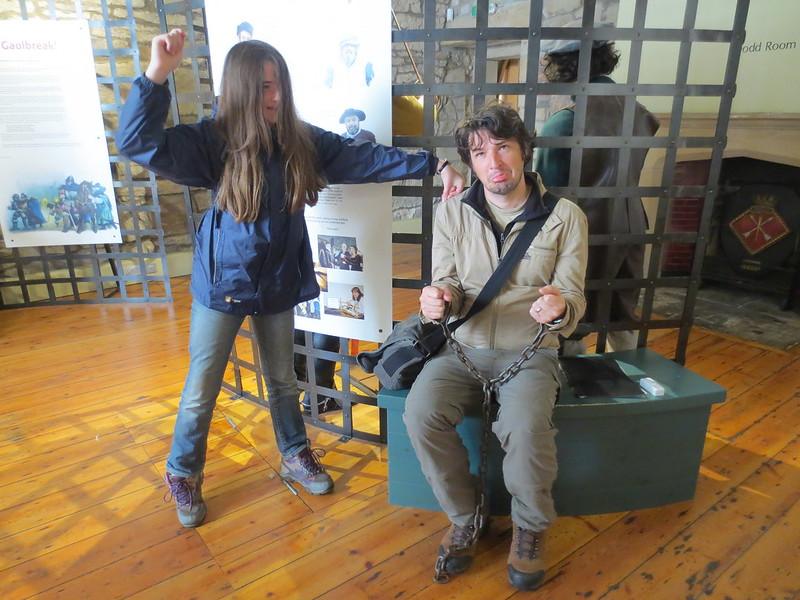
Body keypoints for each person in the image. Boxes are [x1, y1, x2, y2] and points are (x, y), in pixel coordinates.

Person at [116, 29, 464, 528]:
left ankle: (295, 452)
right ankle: (182, 471)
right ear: (239, 89)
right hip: (223, 286)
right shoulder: (212, 143)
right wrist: (157, 76)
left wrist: (436, 163)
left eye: (278, 85)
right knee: (202, 388)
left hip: (278, 283)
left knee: (283, 380)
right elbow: (135, 142)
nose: (275, 96)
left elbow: (362, 157)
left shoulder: (300, 140)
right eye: (262, 87)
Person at [403, 103, 587, 591]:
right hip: (463, 346)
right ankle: (466, 516)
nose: (493, 162)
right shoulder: (451, 213)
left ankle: (529, 530)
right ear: (470, 160)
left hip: (530, 351)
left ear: (524, 150)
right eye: (480, 153)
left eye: (503, 147)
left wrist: (559, 306)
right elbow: (447, 277)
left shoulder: (565, 218)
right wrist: (438, 297)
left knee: (526, 428)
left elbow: (574, 295)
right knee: (420, 414)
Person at [534, 33, 659, 353]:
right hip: (631, 221)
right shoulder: (642, 115)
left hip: (585, 227)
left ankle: (570, 383)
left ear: (565, 69)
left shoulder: (564, 125)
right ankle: (630, 381)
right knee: (621, 310)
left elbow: (548, 191)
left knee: (572, 312)